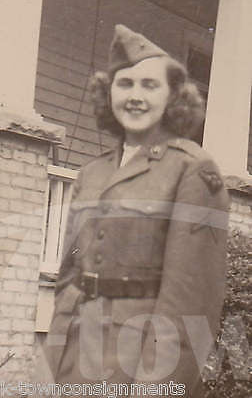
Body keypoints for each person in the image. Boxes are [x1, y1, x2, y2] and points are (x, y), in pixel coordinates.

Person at [44, 25, 229, 397]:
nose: (135, 96)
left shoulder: (192, 170)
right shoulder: (91, 173)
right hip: (76, 358)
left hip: (140, 366)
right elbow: (69, 274)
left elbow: (191, 302)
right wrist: (54, 357)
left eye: (150, 85)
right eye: (124, 84)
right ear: (107, 92)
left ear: (174, 97)